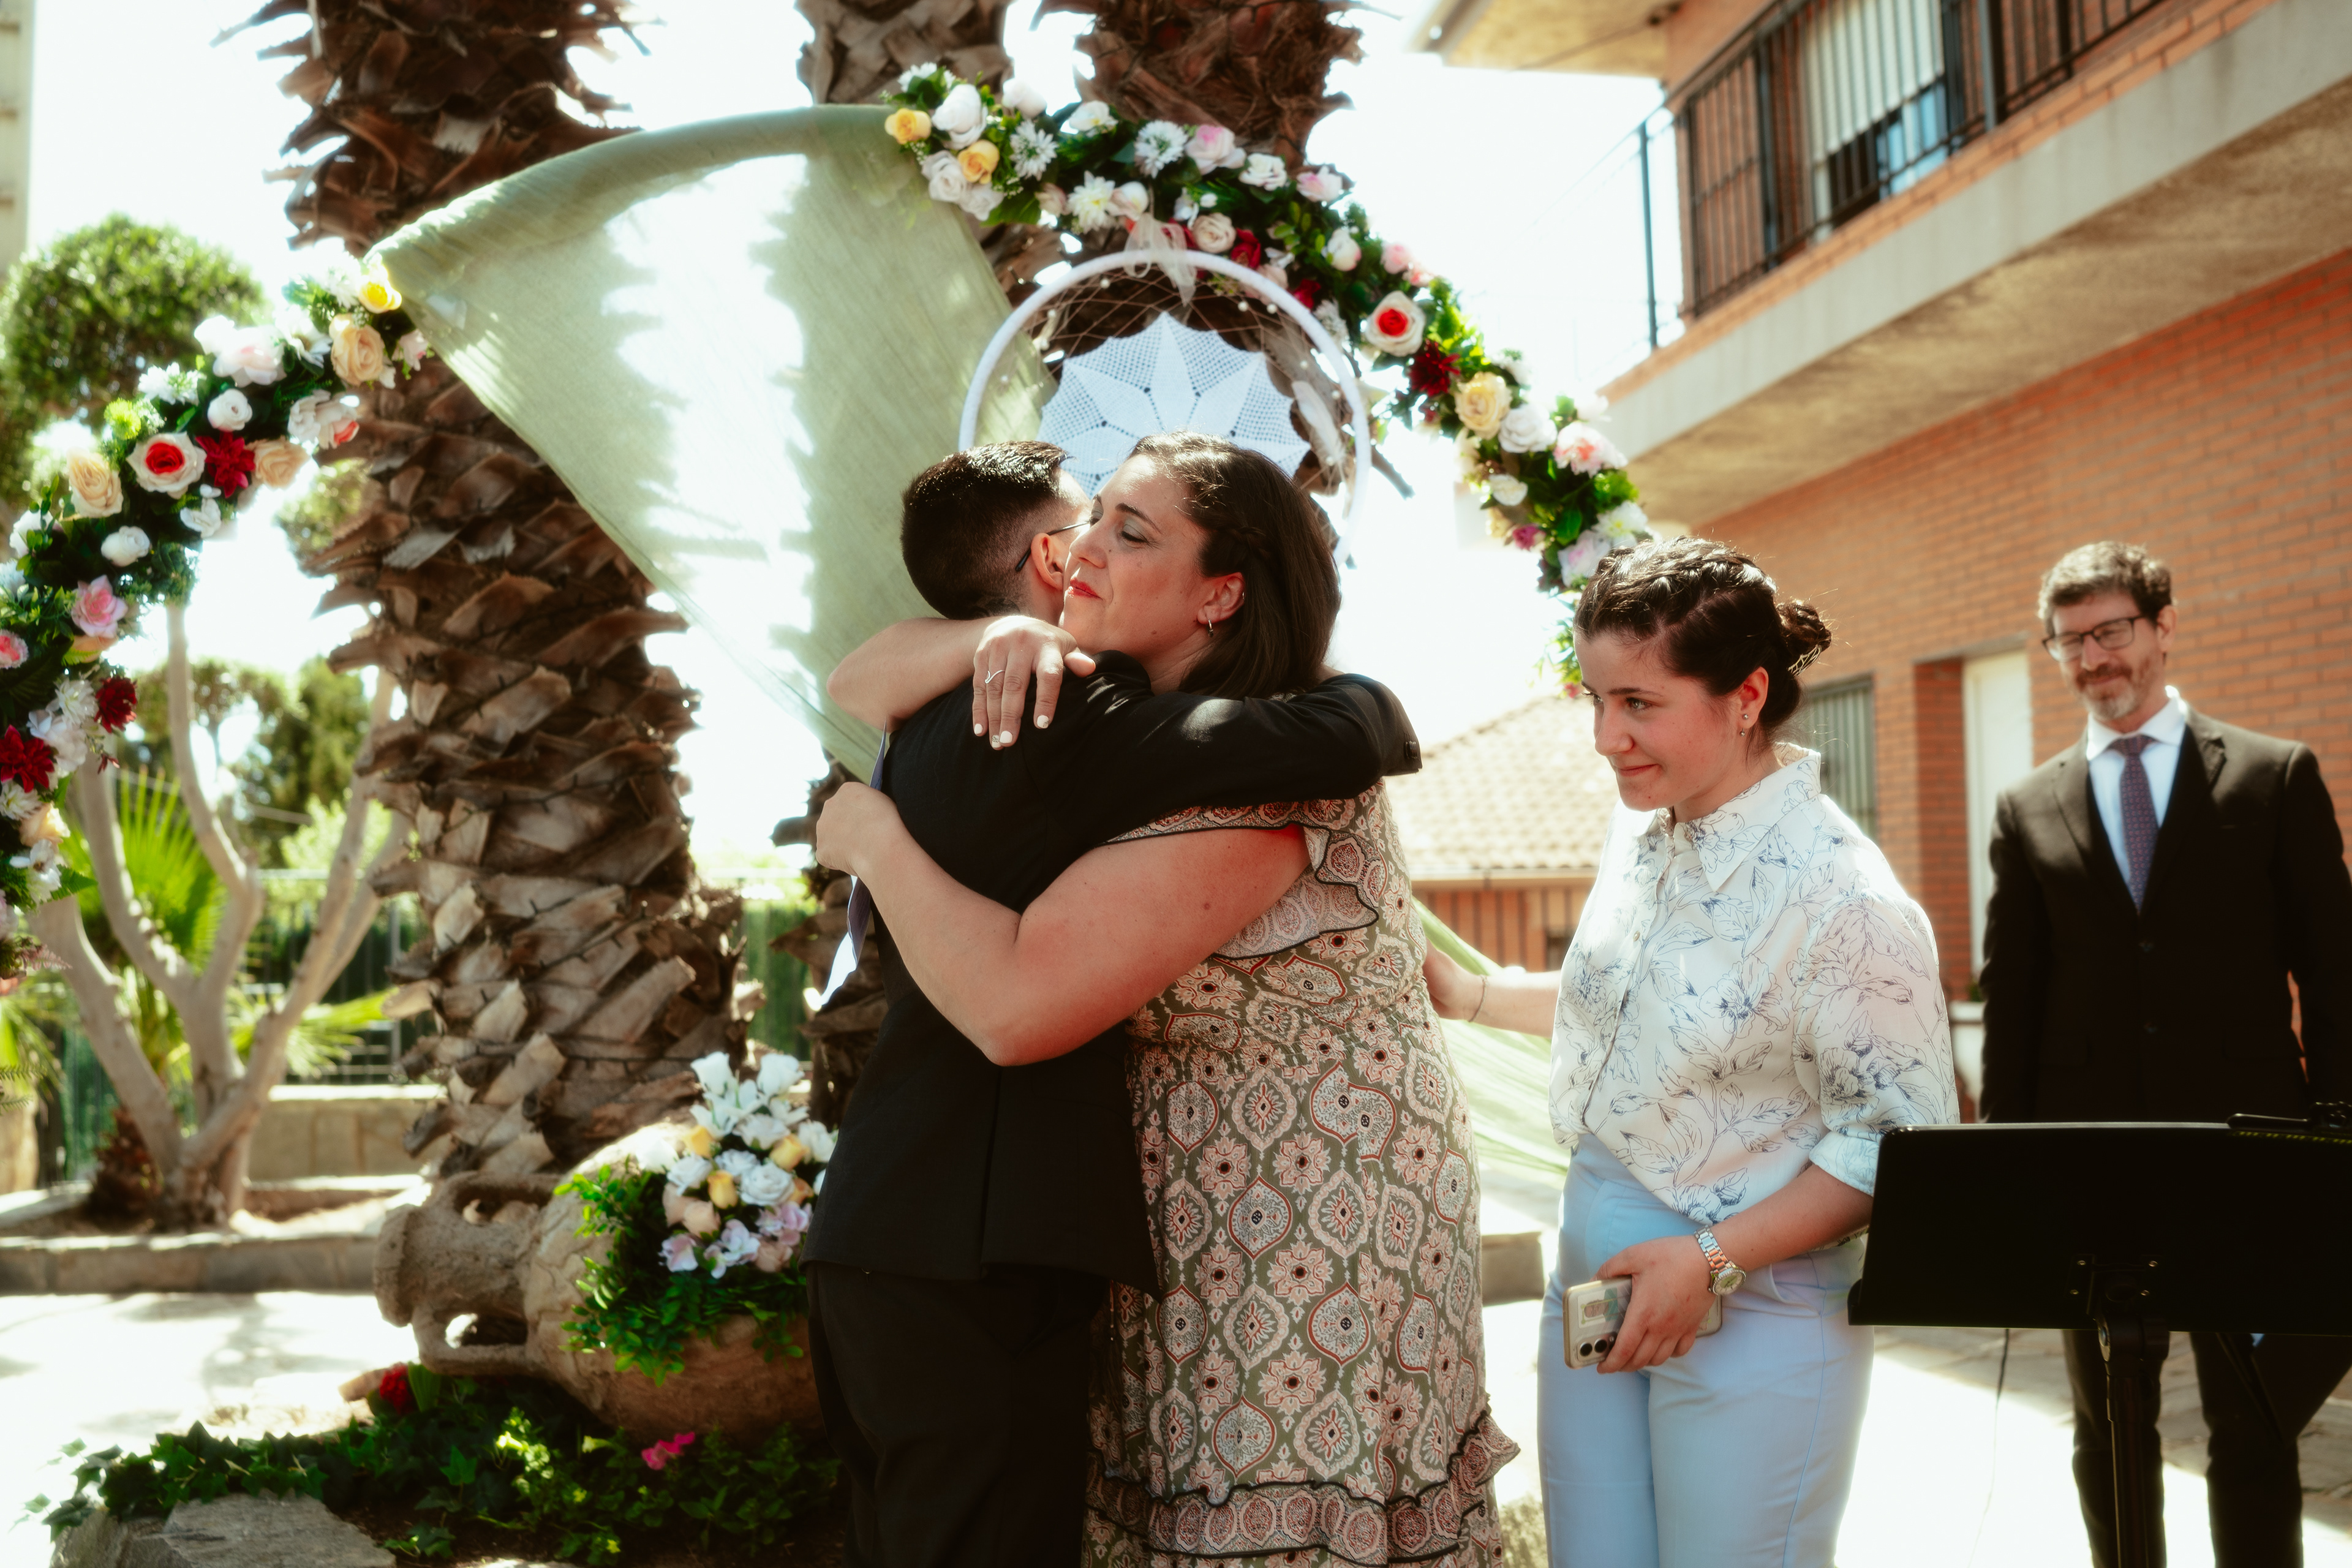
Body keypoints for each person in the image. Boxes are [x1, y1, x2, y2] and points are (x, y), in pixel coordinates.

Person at [817, 431, 1518, 1566]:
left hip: (1301, 1204)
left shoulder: (1257, 768)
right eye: (1089, 520)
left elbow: (1016, 1004)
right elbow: (858, 678)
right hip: (1163, 1208)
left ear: (1222, 593)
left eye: (1128, 531)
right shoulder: (1065, 702)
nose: (1083, 551)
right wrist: (996, 634)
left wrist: (870, 837)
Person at [1420, 537, 1958, 1567]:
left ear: (1746, 696)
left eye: (1638, 703)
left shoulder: (1847, 899)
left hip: (1755, 1313)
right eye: (1596, 700)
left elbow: (1894, 1144)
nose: (1605, 737)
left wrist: (1708, 1261)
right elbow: (1640, 1006)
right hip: (1597, 1291)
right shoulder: (1644, 830)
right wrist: (1471, 995)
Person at [1980, 540, 2352, 1568]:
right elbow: (2012, 1002)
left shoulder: (2275, 776)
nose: (2093, 658)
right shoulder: (2026, 806)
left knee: (2256, 1422)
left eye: (2112, 631)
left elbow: (2334, 975)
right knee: (2107, 1425)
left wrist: (2336, 1139)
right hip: (2088, 1168)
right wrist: (2006, 1172)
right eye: (2070, 641)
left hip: (2249, 1155)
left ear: (2165, 627)